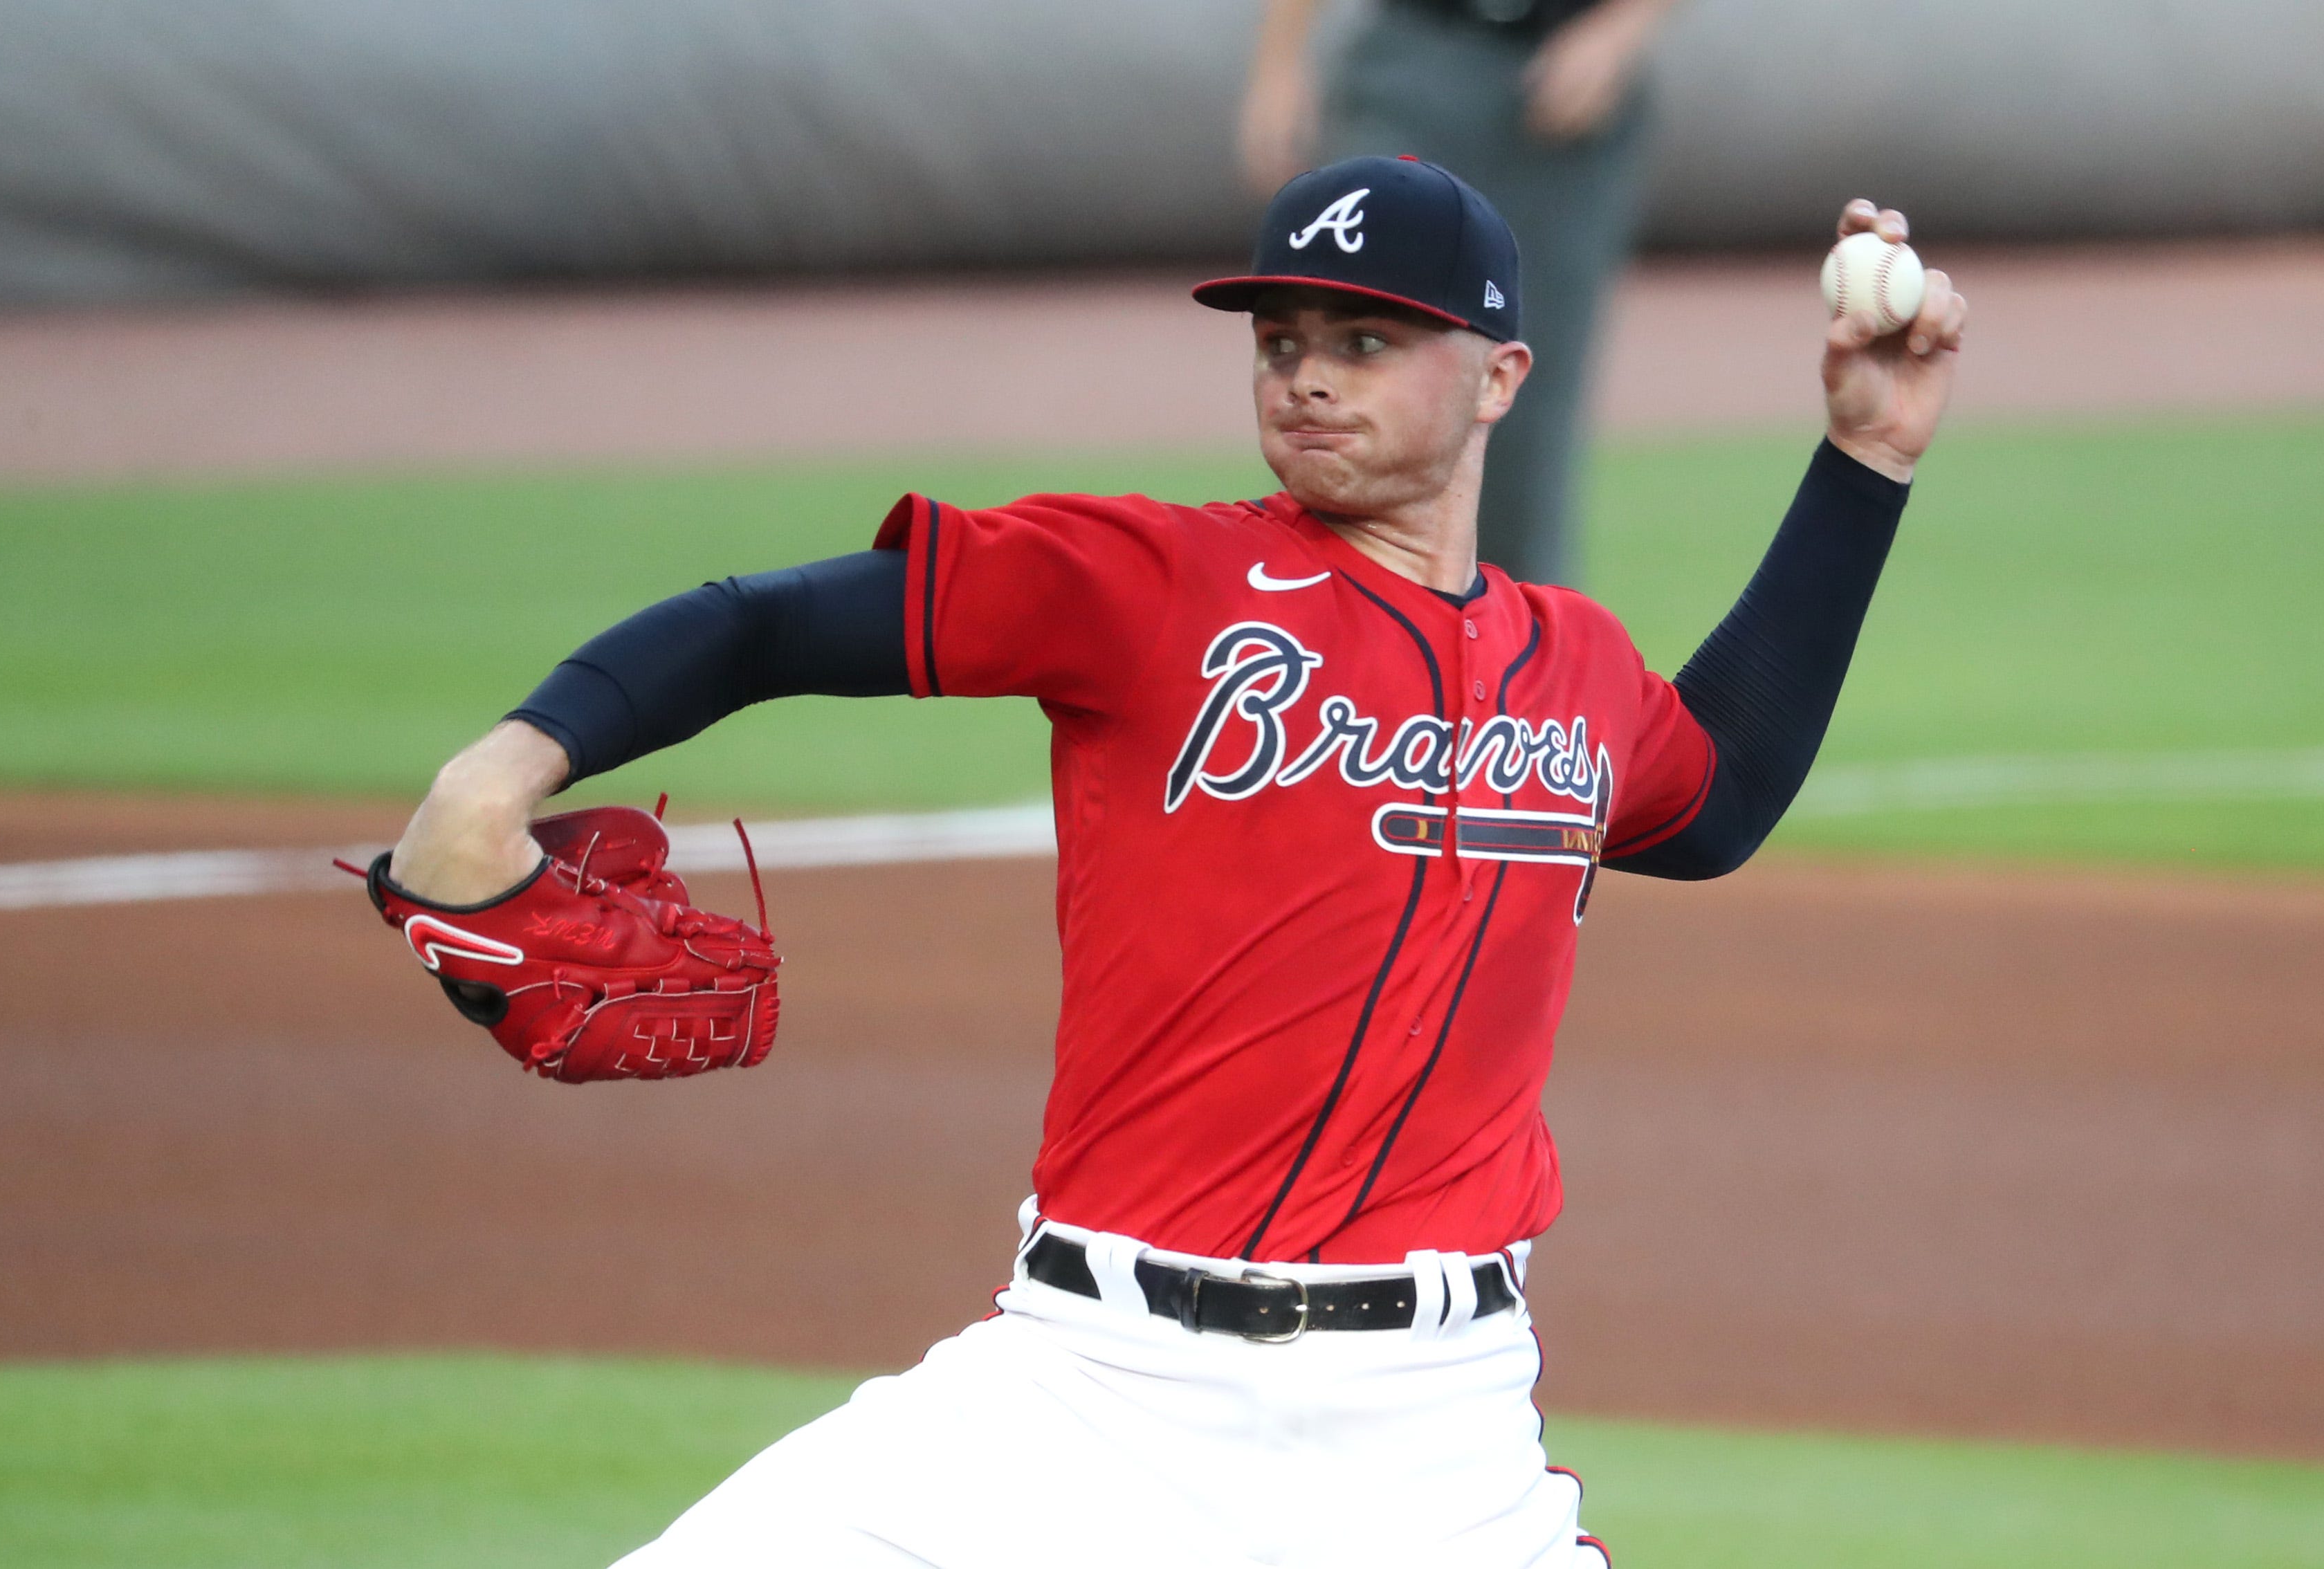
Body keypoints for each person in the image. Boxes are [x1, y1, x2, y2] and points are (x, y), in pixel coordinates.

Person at [381, 156, 1964, 1566]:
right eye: (1281, 342)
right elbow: (767, 621)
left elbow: (1723, 798)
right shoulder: (1146, 581)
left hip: (1432, 1440)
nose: (1307, 380)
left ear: (1499, 378)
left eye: (1365, 340)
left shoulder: (1581, 667)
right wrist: (501, 773)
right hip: (1083, 1393)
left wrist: (1866, 458)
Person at [1239, 0, 1683, 589]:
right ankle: (1323, 636)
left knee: (1517, 397)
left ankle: (1517, 656)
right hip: (1414, 58)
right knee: (1349, 371)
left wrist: (1620, 29)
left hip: (1565, 83)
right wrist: (1278, 69)